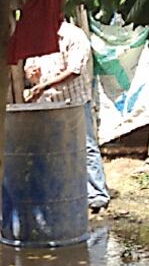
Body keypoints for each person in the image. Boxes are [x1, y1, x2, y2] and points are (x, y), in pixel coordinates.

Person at [23, 19, 111, 213]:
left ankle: (97, 196)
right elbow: (30, 66)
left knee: (85, 147)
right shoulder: (38, 36)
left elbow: (74, 71)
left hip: (74, 102)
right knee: (50, 150)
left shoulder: (74, 36)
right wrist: (31, 73)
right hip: (47, 103)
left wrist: (44, 85)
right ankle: (59, 194)